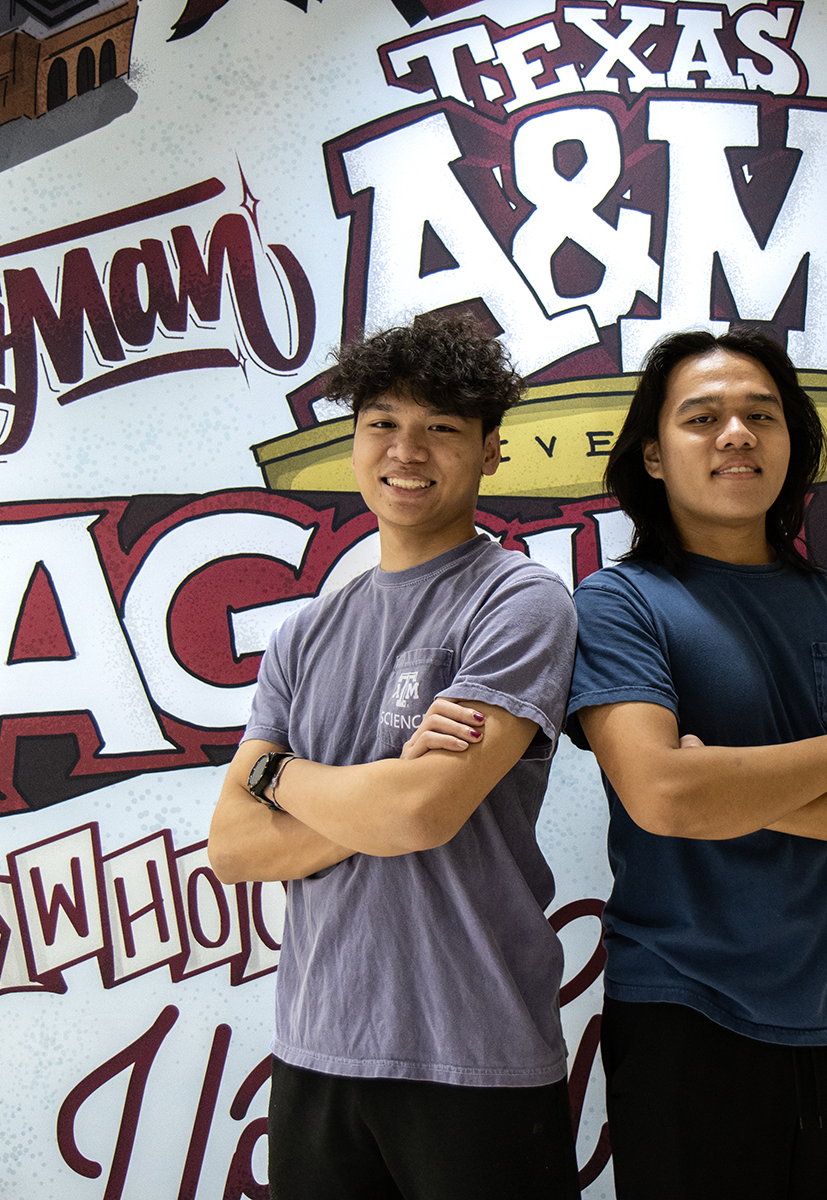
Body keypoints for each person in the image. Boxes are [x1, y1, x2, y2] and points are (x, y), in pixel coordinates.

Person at [565, 329, 827, 1199]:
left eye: (761, 414)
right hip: (686, 1016)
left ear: (793, 442)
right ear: (654, 455)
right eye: (702, 417)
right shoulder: (619, 602)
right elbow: (663, 795)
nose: (737, 434)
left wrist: (729, 791)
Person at [208, 313, 580, 1200]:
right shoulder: (305, 633)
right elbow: (233, 847)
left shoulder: (519, 602)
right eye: (382, 423)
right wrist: (375, 795)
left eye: (442, 428)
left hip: (476, 1052)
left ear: (491, 450)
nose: (406, 450)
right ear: (353, 441)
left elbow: (421, 812)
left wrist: (276, 777)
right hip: (316, 1047)